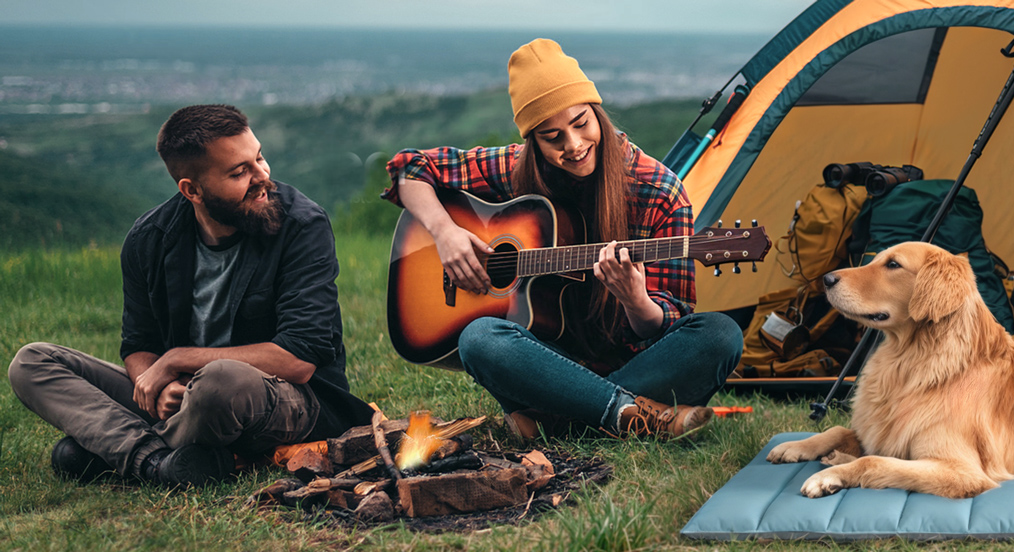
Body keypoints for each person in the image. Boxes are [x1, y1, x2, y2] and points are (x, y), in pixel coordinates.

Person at [382, 39, 743, 441]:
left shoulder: (658, 191)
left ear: (597, 113)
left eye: (581, 123)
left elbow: (667, 322)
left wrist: (636, 300)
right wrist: (445, 232)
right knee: (480, 339)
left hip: (634, 363)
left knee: (719, 335)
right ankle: (627, 413)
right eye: (552, 137)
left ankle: (558, 418)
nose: (573, 145)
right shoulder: (518, 167)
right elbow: (409, 168)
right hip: (547, 361)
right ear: (533, 142)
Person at [8, 104, 374, 486]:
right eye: (239, 172)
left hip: (285, 399)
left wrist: (179, 359)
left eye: (259, 158)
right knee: (32, 362)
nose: (262, 176)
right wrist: (160, 384)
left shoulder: (301, 225)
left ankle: (118, 452)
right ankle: (157, 462)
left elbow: (299, 360)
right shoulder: (149, 239)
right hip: (183, 401)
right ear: (192, 190)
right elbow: (138, 346)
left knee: (221, 380)